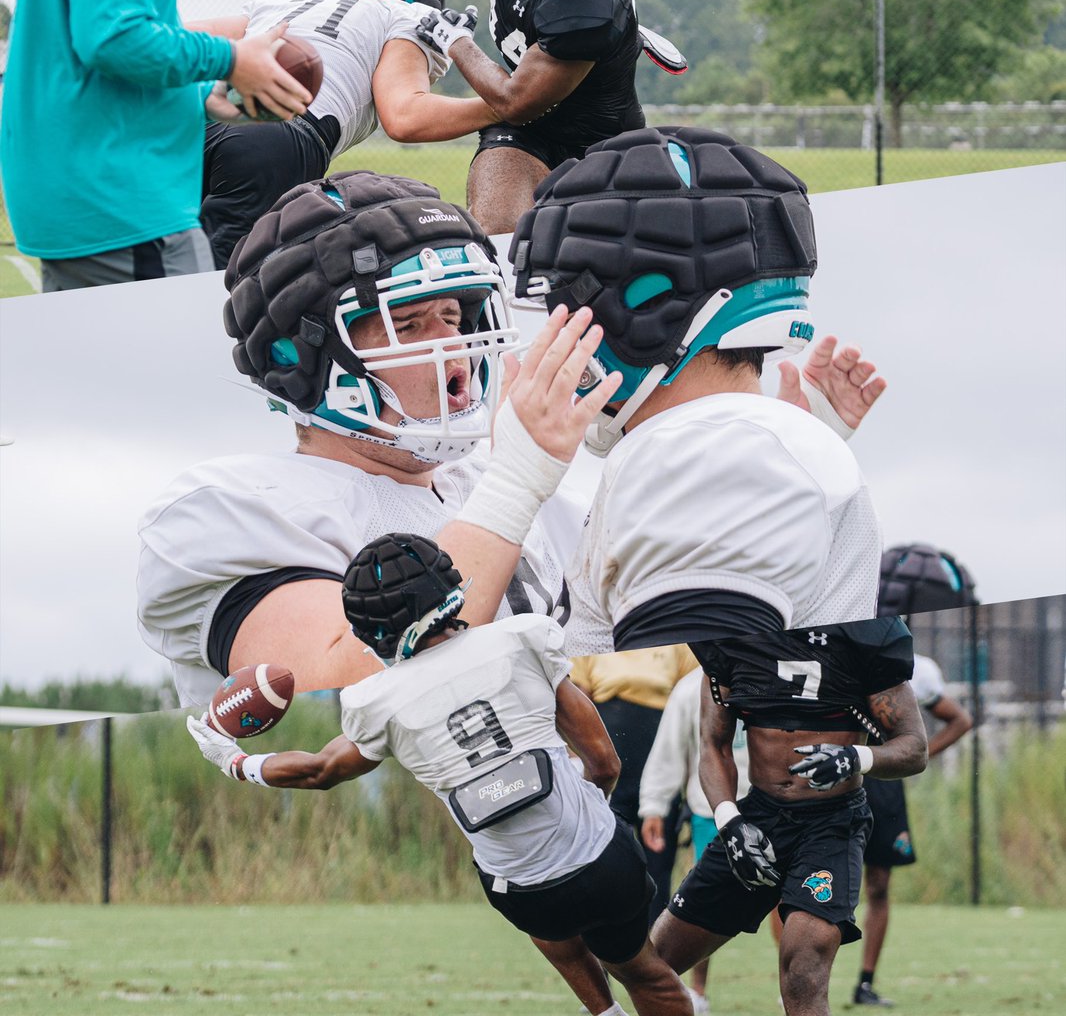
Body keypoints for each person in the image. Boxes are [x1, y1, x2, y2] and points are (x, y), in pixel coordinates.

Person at [137, 156, 879, 709]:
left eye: (458, 319)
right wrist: (514, 483)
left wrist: (778, 473)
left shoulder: (543, 506)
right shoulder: (227, 509)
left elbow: (677, 634)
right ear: (304, 357)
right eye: (411, 323)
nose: (453, 349)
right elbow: (341, 680)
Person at [509, 124, 910, 1016]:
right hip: (752, 814)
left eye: (571, 301)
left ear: (647, 306)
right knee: (655, 967)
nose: (551, 335)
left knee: (758, 970)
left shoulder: (694, 454)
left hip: (815, 811)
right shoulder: (720, 442)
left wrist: (514, 478)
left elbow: (691, 631)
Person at [188, 530, 693, 1016]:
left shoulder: (374, 701)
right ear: (450, 589)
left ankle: (604, 1011)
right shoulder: (524, 638)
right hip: (602, 860)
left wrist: (233, 760)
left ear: (369, 627)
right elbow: (605, 761)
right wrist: (587, 812)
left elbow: (320, 770)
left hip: (523, 892)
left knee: (540, 912)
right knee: (644, 971)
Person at [0, 0, 310, 291]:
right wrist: (232, 59)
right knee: (174, 362)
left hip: (82, 189)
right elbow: (113, 37)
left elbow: (86, 54)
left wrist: (201, 95)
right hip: (121, 201)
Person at [196, 0, 500, 269]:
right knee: (222, 283)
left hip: (194, 120)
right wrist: (502, 106)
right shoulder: (409, 15)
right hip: (275, 137)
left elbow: (176, 41)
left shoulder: (283, 2)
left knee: (157, 258)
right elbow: (404, 117)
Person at [418, 0, 645, 233]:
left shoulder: (595, 7)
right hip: (530, 133)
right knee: (500, 233)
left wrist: (456, 41)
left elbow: (515, 101)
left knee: (599, 260)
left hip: (602, 143)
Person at [852, 543, 977, 1008]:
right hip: (833, 776)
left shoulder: (917, 668)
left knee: (879, 884)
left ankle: (865, 982)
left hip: (881, 787)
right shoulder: (842, 649)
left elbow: (959, 720)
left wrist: (914, 756)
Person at [639, 667, 751, 1015]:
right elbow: (669, 748)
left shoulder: (771, 676)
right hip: (712, 813)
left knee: (785, 907)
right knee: (704, 903)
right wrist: (654, 805)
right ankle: (698, 993)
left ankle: (788, 989)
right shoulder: (691, 688)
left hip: (775, 809)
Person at [571, 649, 700, 923]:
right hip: (608, 769)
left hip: (660, 768)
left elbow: (694, 701)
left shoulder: (673, 640)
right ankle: (608, 951)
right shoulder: (592, 639)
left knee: (659, 864)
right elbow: (575, 702)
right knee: (605, 863)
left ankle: (660, 952)